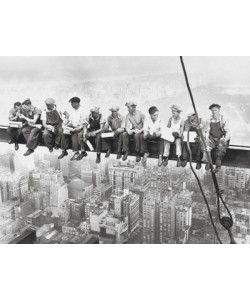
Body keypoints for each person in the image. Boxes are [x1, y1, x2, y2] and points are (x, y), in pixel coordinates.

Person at [203, 104, 230, 172]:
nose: (214, 112)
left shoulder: (223, 119)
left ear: (219, 110)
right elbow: (207, 131)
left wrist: (225, 139)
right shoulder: (209, 119)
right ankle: (208, 163)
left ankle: (218, 165)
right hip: (212, 138)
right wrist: (207, 139)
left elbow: (228, 132)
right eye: (212, 110)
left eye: (215, 110)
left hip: (221, 138)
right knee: (206, 148)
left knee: (220, 150)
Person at [59, 97, 87, 161]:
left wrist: (76, 129)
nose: (71, 104)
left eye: (72, 103)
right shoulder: (73, 110)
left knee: (75, 134)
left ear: (76, 103)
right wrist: (67, 125)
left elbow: (84, 124)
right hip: (73, 127)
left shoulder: (83, 111)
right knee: (64, 133)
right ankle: (64, 151)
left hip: (81, 128)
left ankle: (77, 152)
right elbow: (71, 121)